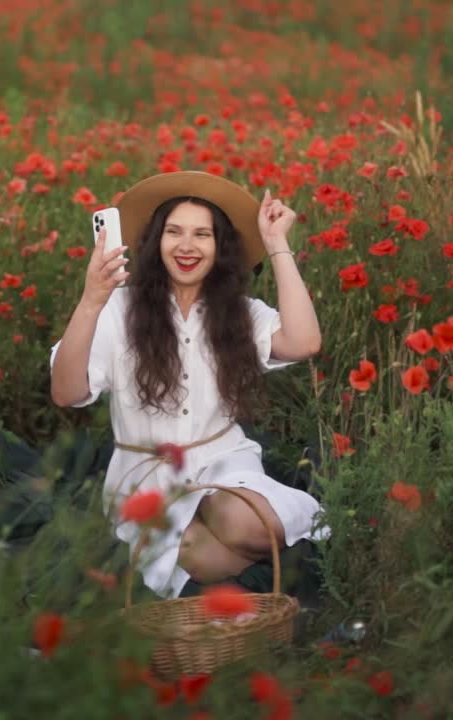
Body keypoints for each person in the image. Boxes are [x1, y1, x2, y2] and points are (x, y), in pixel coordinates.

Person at [49, 170, 330, 600]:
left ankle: (277, 574)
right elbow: (66, 392)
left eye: (202, 235)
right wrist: (91, 298)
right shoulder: (119, 310)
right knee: (199, 558)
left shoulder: (237, 312)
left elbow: (305, 341)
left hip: (223, 463)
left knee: (242, 524)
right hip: (146, 479)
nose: (186, 246)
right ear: (155, 242)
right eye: (174, 232)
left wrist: (276, 244)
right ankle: (292, 575)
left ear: (219, 249)